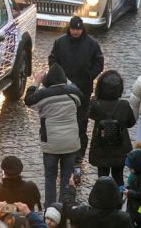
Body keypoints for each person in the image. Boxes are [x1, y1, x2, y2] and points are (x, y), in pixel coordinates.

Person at [24, 63, 81, 206]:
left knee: (50, 178)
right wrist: (65, 81)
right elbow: (76, 93)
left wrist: (37, 81)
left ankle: (50, 210)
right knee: (67, 177)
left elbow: (28, 99)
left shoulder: (43, 95)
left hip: (51, 144)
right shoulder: (74, 93)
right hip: (71, 143)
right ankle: (64, 209)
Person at [48, 15, 104, 160]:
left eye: (78, 30)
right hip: (63, 88)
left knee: (81, 120)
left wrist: (89, 76)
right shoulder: (60, 42)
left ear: (82, 29)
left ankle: (79, 152)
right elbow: (53, 59)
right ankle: (64, 148)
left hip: (83, 89)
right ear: (69, 28)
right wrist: (58, 77)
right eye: (73, 29)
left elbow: (99, 62)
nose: (75, 32)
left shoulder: (91, 44)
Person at [88, 70, 135, 187]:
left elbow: (88, 114)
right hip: (120, 147)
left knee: (102, 176)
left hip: (101, 147)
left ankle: (103, 200)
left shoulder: (95, 104)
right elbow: (131, 123)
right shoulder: (124, 105)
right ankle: (118, 199)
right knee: (119, 177)